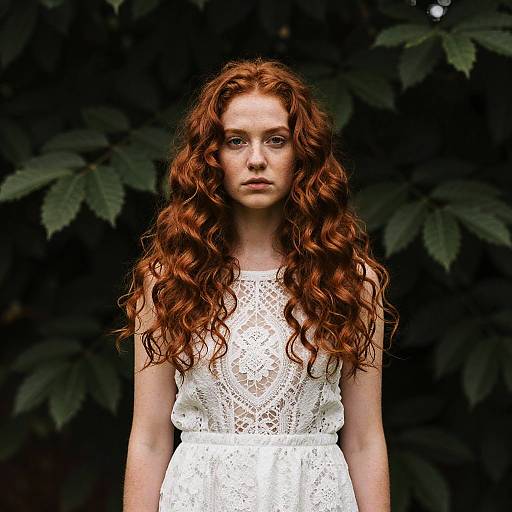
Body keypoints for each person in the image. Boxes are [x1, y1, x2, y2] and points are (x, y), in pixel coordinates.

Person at [114, 57, 399, 512]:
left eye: (276, 140)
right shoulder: (169, 281)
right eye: (235, 141)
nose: (256, 159)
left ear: (301, 153)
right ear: (212, 156)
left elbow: (365, 440)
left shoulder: (349, 282)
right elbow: (148, 439)